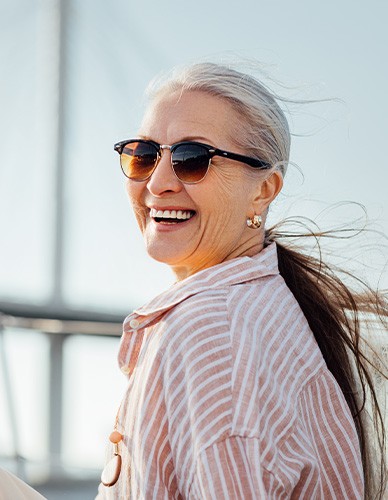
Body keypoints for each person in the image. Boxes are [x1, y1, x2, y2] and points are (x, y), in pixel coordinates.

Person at [97, 63, 387, 499]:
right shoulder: (268, 312)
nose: (157, 182)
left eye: (192, 159)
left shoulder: (209, 332)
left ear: (264, 190)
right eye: (143, 154)